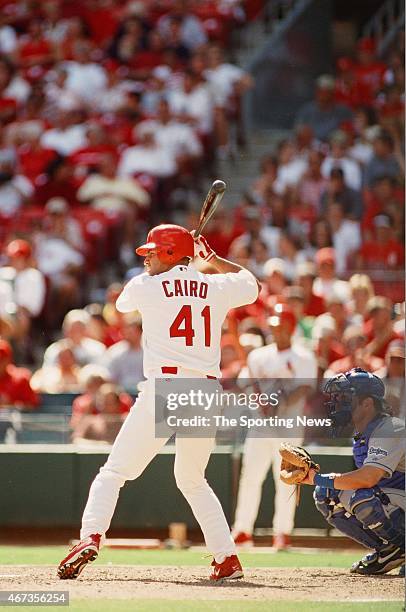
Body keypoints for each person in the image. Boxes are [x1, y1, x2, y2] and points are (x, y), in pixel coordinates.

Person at [58, 223, 260, 581]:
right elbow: (251, 283)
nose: (147, 257)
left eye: (152, 251)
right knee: (193, 479)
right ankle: (226, 557)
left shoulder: (146, 285)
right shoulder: (215, 285)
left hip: (166, 387)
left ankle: (90, 535)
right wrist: (210, 259)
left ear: (169, 253)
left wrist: (184, 267)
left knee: (115, 472)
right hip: (205, 391)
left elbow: (120, 303)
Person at [302, 368, 404, 575]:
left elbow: (368, 478)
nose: (338, 403)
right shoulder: (362, 432)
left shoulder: (390, 428)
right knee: (325, 493)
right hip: (398, 498)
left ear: (367, 403)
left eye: (346, 398)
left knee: (362, 497)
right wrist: (317, 480)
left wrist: (316, 477)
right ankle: (389, 550)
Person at [232, 304, 317, 549]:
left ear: (291, 328)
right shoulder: (258, 356)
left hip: (288, 427)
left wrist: (278, 402)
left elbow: (303, 389)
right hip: (260, 426)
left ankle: (282, 532)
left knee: (287, 480)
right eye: (274, 326)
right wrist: (260, 400)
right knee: (250, 478)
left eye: (282, 326)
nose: (277, 330)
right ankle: (243, 529)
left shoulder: (303, 356)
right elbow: (246, 383)